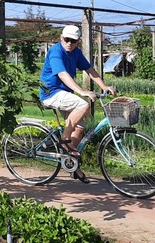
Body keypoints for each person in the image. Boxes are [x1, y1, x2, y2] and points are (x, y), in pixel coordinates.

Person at [39, 24, 116, 183]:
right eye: (66, 40)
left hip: (64, 93)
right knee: (83, 105)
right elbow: (62, 75)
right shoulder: (56, 52)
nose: (69, 43)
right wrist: (82, 91)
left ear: (78, 42)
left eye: (73, 41)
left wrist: (104, 86)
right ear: (61, 38)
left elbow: (90, 70)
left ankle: (71, 166)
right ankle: (64, 138)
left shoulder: (76, 53)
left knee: (80, 127)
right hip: (51, 92)